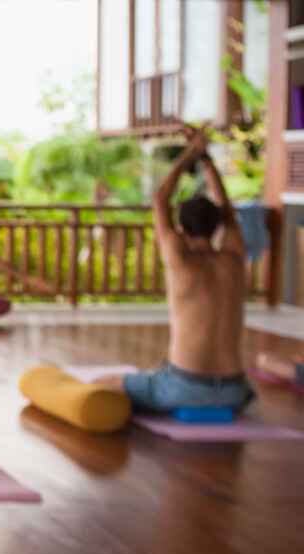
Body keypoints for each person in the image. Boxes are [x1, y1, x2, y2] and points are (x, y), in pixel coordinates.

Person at [95, 125, 254, 412]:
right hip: (234, 390)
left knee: (101, 382)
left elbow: (160, 200)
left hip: (184, 388)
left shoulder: (180, 261)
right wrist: (204, 158)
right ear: (218, 224)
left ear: (181, 229)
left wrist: (188, 154)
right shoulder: (234, 260)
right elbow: (227, 209)